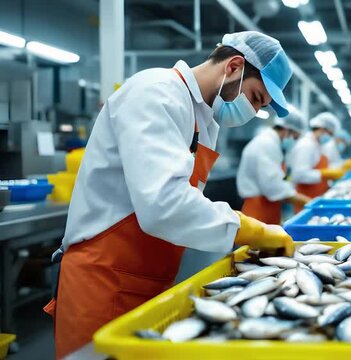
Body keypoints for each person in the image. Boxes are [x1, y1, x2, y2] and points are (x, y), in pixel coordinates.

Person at [45, 31, 295, 358]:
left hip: (151, 278)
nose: (254, 110)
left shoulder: (205, 120)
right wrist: (249, 228)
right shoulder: (156, 94)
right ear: (234, 66)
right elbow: (164, 205)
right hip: (104, 279)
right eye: (255, 97)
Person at [237, 108, 311, 224]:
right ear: (287, 130)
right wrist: (308, 202)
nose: (295, 141)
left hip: (269, 207)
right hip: (257, 210)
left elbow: (285, 177)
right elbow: (274, 186)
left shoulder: (276, 146)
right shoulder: (266, 144)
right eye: (295, 137)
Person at [289, 112, 345, 212]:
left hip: (316, 198)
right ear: (321, 129)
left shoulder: (316, 145)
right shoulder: (306, 145)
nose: (330, 138)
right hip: (306, 201)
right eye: (330, 134)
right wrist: (323, 174)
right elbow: (299, 175)